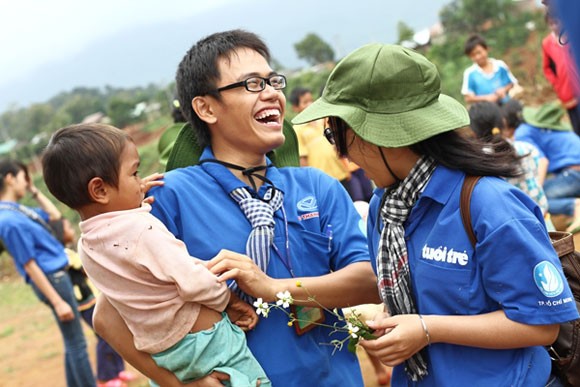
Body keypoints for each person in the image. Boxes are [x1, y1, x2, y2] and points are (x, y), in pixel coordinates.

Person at [92, 29, 380, 387]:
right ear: (206, 107)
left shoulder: (316, 186)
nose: (273, 93)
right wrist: (179, 384)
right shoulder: (169, 198)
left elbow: (370, 281)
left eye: (274, 81)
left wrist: (271, 288)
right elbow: (108, 315)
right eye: (252, 84)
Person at [293, 43, 579, 386]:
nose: (345, 157)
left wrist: (428, 329)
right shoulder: (384, 210)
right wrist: (392, 321)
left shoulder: (487, 204)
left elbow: (542, 325)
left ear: (377, 135)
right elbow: (418, 297)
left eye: (337, 136)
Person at [42, 123, 270, 387]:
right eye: (134, 174)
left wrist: (131, 202)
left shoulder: (87, 247)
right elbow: (194, 282)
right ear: (100, 190)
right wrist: (229, 301)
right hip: (207, 344)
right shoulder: (143, 229)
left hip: (165, 356)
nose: (141, 183)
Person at [0, 159, 96, 387]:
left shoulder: (18, 211)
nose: (27, 183)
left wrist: (34, 191)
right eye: (24, 178)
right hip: (53, 280)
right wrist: (57, 301)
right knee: (77, 344)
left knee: (72, 342)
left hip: (57, 277)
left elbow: (54, 217)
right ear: (10, 179)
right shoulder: (8, 220)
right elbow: (29, 264)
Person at [54, 217, 136, 387]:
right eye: (68, 227)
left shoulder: (67, 252)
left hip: (92, 298)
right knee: (105, 336)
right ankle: (106, 378)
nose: (71, 229)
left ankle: (117, 371)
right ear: (59, 233)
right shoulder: (63, 254)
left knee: (114, 332)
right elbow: (82, 264)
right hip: (84, 303)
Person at [468, 101, 555, 230]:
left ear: (474, 131)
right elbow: (542, 163)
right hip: (548, 226)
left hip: (521, 233)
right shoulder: (526, 148)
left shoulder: (479, 162)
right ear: (502, 122)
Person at [503, 100, 580, 234]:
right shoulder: (535, 125)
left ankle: (575, 207)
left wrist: (536, 189)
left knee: (537, 198)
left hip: (575, 172)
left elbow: (542, 161)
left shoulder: (522, 133)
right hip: (573, 170)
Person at [290, 86, 351, 188]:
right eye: (305, 102)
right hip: (322, 181)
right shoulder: (297, 129)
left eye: (311, 100)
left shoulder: (324, 120)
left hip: (340, 173)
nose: (310, 104)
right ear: (295, 108)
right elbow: (303, 159)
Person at [542, 12, 580, 136]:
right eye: (551, 24)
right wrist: (557, 84)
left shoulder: (572, 35)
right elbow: (547, 68)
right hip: (565, 90)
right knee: (576, 123)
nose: (554, 26)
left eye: (556, 22)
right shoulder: (547, 43)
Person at [461, 34, 518, 105]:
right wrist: (486, 98)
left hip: (506, 105)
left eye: (479, 52)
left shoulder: (500, 65)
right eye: (473, 55)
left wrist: (503, 90)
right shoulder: (470, 73)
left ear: (486, 49)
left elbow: (512, 83)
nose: (477, 57)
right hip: (485, 111)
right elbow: (468, 98)